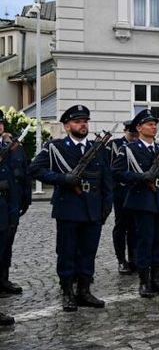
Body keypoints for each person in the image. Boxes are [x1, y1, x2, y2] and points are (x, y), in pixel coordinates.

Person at [29, 105, 114, 312]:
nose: (82, 124)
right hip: (69, 208)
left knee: (88, 251)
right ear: (67, 126)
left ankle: (84, 290)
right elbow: (35, 169)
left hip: (93, 208)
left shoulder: (98, 148)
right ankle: (67, 291)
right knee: (67, 251)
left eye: (85, 121)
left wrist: (106, 206)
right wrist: (62, 179)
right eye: (77, 121)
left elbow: (106, 180)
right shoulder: (55, 147)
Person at [113, 108, 159, 298]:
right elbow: (116, 172)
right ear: (139, 128)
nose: (154, 127)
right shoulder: (129, 150)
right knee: (145, 242)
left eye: (155, 124)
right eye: (150, 124)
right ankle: (144, 281)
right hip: (142, 202)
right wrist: (140, 177)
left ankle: (156, 279)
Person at [0, 118, 33, 324]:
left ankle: (3, 280)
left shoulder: (12, 147)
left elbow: (24, 173)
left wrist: (26, 199)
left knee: (5, 246)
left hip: (10, 204)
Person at [110, 118, 139, 275]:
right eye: (131, 134)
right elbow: (110, 169)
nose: (133, 137)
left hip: (136, 191)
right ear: (125, 131)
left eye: (136, 134)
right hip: (120, 192)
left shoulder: (139, 145)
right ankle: (121, 260)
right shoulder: (115, 145)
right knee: (121, 226)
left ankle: (133, 258)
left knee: (135, 226)